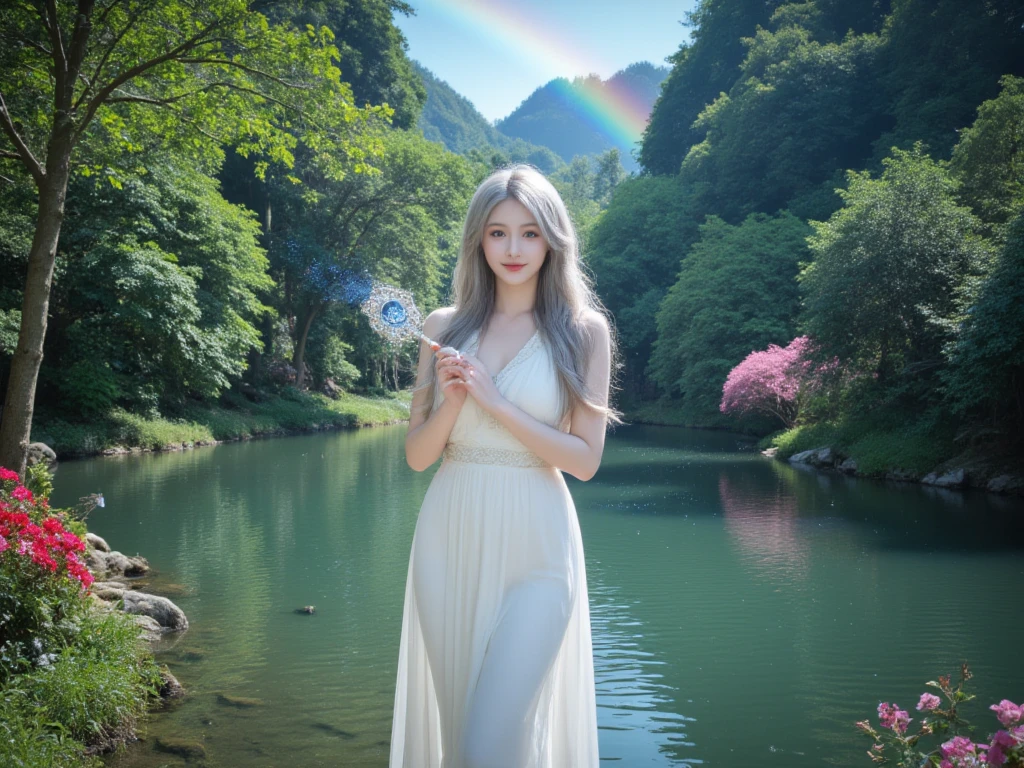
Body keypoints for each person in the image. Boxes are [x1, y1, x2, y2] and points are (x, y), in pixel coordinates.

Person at [390, 164, 622, 768]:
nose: (513, 249)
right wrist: (455, 403)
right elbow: (417, 457)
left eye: (529, 232)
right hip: (450, 537)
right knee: (460, 736)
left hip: (539, 547)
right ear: (477, 240)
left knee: (491, 742)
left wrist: (494, 401)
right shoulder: (443, 328)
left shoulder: (584, 331)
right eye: (497, 233)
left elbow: (586, 461)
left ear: (553, 239)